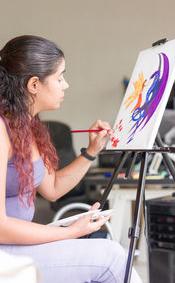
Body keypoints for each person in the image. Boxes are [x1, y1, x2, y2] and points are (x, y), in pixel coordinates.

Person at [0, 35, 142, 283]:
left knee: (110, 255)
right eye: (60, 77)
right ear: (34, 85)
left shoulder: (29, 126)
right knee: (112, 257)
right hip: (6, 251)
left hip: (18, 246)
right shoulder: (1, 130)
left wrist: (91, 151)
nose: (65, 85)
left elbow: (52, 189)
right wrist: (69, 232)